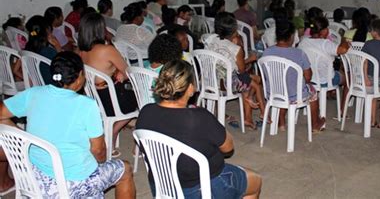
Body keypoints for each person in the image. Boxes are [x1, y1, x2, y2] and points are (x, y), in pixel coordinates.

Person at [0, 52, 135, 198]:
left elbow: (1, 115)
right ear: (79, 77)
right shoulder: (87, 105)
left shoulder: (33, 93)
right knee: (125, 169)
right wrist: (101, 161)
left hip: (34, 176)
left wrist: (21, 138)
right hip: (72, 184)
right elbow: (98, 152)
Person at [136, 60, 262, 198]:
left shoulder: (145, 111)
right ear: (190, 89)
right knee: (255, 181)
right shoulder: (198, 118)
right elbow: (228, 148)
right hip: (201, 189)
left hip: (162, 187)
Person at [78, 13, 138, 156]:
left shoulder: (80, 52)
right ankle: (113, 131)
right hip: (113, 99)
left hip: (96, 98)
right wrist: (121, 73)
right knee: (141, 97)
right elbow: (128, 70)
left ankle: (111, 132)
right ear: (100, 29)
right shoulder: (107, 50)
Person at [264, 20, 326, 132]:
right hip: (294, 95)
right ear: (291, 36)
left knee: (284, 85)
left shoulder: (267, 52)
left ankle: (281, 121)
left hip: (272, 93)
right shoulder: (299, 53)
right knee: (313, 90)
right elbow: (308, 77)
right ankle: (315, 124)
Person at [207, 12, 265, 129]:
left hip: (209, 80)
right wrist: (251, 58)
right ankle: (248, 118)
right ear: (234, 30)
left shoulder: (210, 41)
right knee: (248, 84)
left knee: (254, 80)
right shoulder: (235, 49)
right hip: (227, 85)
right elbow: (242, 70)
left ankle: (248, 116)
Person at [298, 16, 350, 116]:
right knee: (348, 79)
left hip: (308, 79)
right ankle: (342, 111)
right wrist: (345, 42)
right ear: (324, 30)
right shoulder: (325, 43)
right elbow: (342, 50)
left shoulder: (303, 42)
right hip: (325, 80)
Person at [361, 19, 380, 128]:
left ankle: (372, 120)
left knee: (372, 98)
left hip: (369, 77)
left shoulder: (368, 44)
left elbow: (364, 62)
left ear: (374, 32)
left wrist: (365, 78)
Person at [24, 15, 62, 85]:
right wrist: (58, 46)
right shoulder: (48, 52)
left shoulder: (28, 48)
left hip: (39, 86)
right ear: (47, 31)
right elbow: (64, 67)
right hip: (52, 86)